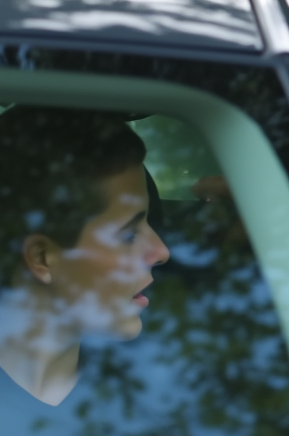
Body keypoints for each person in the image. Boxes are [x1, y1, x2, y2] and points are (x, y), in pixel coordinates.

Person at [0, 106, 170, 405]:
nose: (162, 252)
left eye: (149, 223)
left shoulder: (159, 396)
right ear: (41, 259)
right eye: (129, 235)